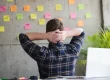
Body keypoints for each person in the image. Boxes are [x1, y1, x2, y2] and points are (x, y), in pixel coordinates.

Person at [19, 19, 85, 79]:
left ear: (47, 32)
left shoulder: (42, 54)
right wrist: (67, 33)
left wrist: (45, 35)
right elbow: (81, 32)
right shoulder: (73, 50)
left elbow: (22, 37)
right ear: (63, 31)